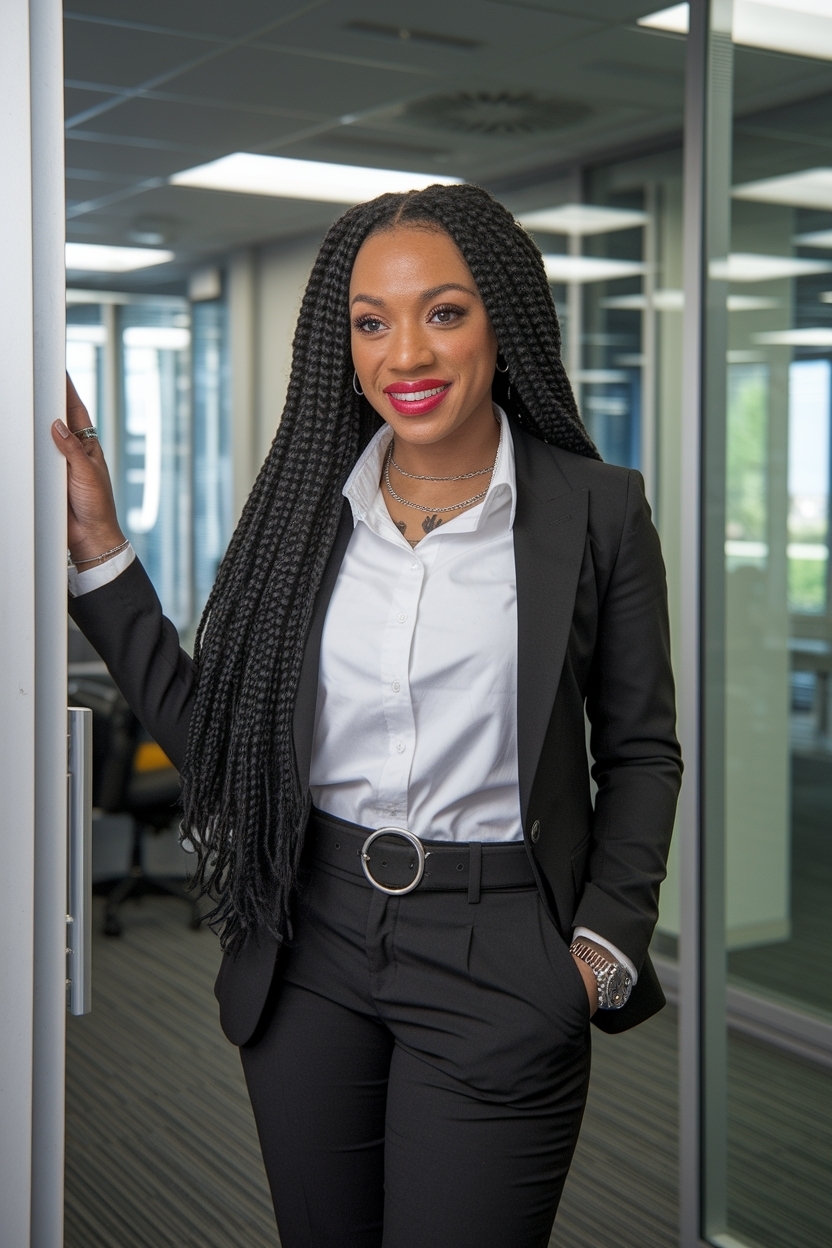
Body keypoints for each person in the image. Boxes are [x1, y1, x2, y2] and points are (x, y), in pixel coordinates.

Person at [55, 183, 682, 1248]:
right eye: (370, 321)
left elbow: (639, 749)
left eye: (443, 312)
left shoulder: (594, 508)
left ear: (505, 320)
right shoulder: (306, 508)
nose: (406, 355)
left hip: (501, 948)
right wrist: (101, 550)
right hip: (311, 937)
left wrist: (598, 951)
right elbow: (222, 743)